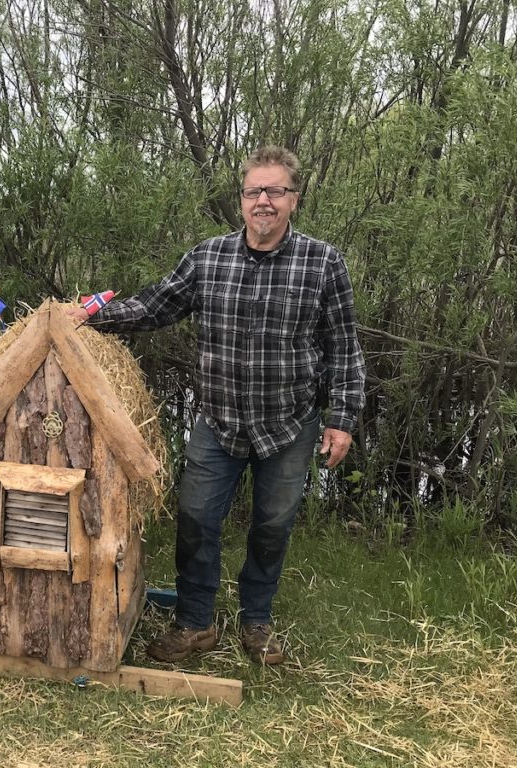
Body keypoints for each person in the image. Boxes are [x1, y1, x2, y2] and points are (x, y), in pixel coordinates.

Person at [66, 145, 365, 664]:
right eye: (254, 191)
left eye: (275, 191)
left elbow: (344, 347)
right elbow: (156, 304)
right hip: (218, 422)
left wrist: (341, 419)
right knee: (196, 519)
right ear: (242, 200)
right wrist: (90, 316)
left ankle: (256, 622)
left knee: (272, 527)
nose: (264, 201)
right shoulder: (209, 257)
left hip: (289, 425)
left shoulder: (323, 263)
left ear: (294, 199)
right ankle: (195, 623)